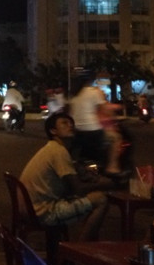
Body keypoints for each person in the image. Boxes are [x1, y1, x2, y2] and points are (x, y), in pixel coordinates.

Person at [20, 112, 113, 243]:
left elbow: (69, 183)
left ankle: (77, 244)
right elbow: (78, 189)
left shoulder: (52, 148)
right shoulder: (58, 151)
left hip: (31, 208)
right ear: (53, 131)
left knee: (88, 201)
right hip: (44, 212)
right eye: (64, 123)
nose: (70, 126)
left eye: (71, 123)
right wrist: (105, 184)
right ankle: (81, 248)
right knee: (100, 200)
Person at [70, 72, 108, 166]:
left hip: (77, 129)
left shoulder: (74, 93)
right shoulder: (94, 92)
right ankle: (110, 167)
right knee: (109, 143)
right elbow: (103, 109)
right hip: (92, 128)